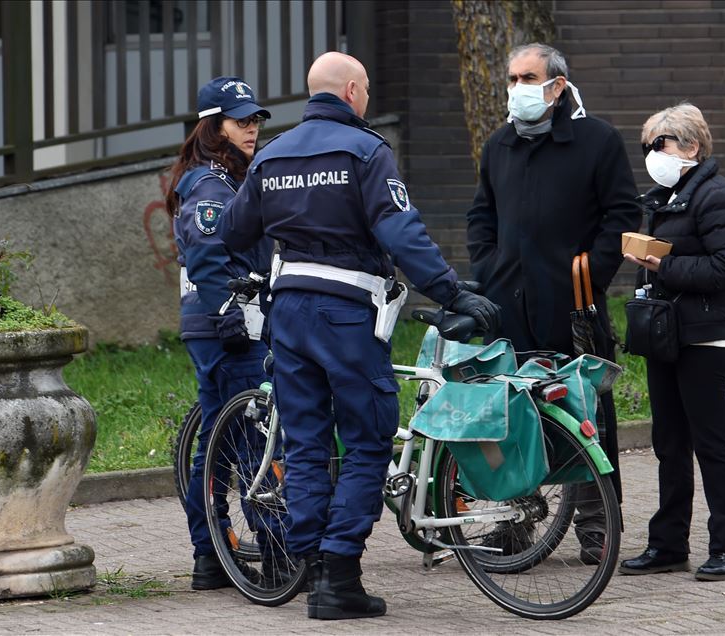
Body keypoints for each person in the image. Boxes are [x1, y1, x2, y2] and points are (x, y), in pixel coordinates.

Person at [218, 52, 499, 620]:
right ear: (351, 91)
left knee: (305, 443)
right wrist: (451, 292)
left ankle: (311, 567)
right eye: (365, 88)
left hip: (288, 315)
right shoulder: (365, 151)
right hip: (346, 316)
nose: (366, 97)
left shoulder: (272, 154)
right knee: (368, 440)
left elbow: (232, 230)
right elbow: (401, 232)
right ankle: (340, 572)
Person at [465, 42, 641, 562]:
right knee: (514, 419)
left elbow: (622, 215)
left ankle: (596, 526)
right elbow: (481, 216)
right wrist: (488, 269)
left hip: (573, 307)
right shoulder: (499, 145)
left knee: (586, 415)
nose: (516, 88)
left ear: (557, 86)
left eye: (528, 78)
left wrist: (588, 274)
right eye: (512, 78)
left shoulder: (596, 140)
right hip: (509, 306)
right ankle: (514, 527)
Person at [619, 102, 725, 581]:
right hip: (668, 336)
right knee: (670, 444)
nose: (651, 154)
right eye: (647, 146)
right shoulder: (667, 197)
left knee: (713, 444)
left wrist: (663, 266)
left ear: (692, 147)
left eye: (660, 144)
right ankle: (668, 544)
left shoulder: (716, 196)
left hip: (704, 339)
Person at [165, 76, 278, 590]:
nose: (251, 129)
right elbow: (207, 256)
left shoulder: (228, 178)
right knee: (253, 438)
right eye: (240, 121)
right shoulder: (211, 184)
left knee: (217, 442)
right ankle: (277, 554)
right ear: (215, 128)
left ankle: (210, 557)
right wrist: (230, 311)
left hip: (219, 324)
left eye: (255, 120)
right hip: (226, 328)